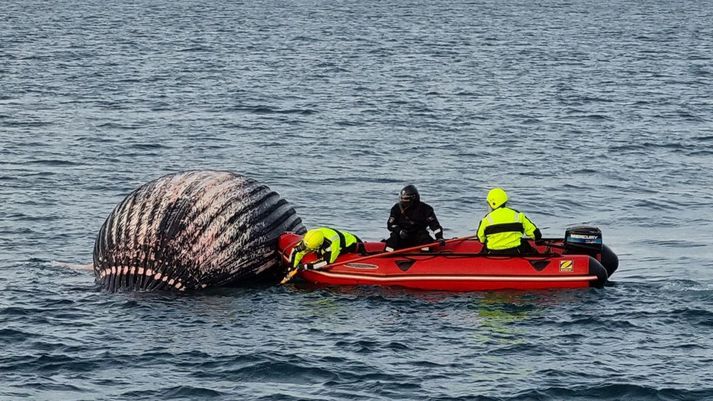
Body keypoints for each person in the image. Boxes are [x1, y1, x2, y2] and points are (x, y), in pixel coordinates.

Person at [476, 188, 541, 255]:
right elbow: (536, 234)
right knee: (524, 243)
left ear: (492, 203)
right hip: (515, 251)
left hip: (493, 252)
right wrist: (538, 240)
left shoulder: (486, 219)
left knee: (485, 246)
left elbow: (481, 239)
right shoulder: (518, 215)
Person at [385, 184, 444, 251]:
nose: (404, 201)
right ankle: (386, 258)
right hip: (402, 236)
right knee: (392, 241)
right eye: (402, 198)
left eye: (406, 199)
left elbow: (434, 225)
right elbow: (390, 225)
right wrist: (399, 231)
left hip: (419, 235)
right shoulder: (396, 208)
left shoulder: (425, 209)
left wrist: (439, 237)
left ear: (414, 198)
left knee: (426, 242)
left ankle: (425, 257)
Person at [288, 227, 364, 271]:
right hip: (331, 239)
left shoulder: (332, 244)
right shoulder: (311, 237)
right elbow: (296, 251)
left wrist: (304, 267)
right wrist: (291, 268)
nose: (306, 249)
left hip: (353, 243)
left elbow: (326, 262)